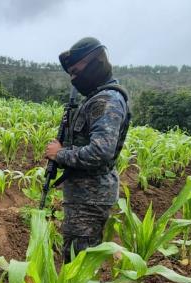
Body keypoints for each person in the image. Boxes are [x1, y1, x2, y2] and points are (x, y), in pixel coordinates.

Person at [45, 37, 131, 262]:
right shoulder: (97, 97)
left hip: (90, 197)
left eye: (76, 70)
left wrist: (60, 154)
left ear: (94, 62)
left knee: (78, 263)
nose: (74, 78)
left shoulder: (106, 100)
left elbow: (100, 152)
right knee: (77, 257)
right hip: (86, 195)